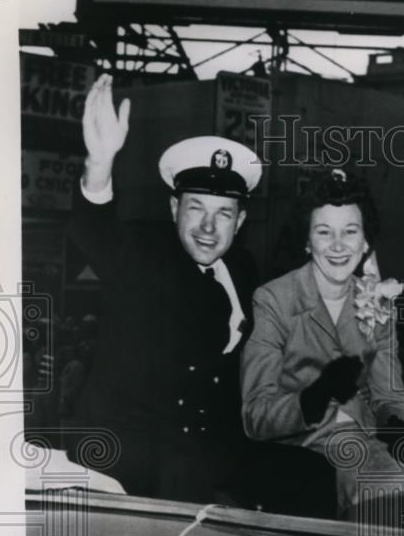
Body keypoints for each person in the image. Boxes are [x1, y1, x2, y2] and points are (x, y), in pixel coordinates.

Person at [66, 73, 262, 501]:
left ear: (240, 222)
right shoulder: (146, 254)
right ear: (174, 208)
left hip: (205, 460)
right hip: (127, 459)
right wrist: (99, 164)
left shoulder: (245, 270)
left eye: (224, 214)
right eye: (196, 208)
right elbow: (95, 232)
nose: (209, 228)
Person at [240, 168, 404, 515]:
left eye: (350, 232)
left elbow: (389, 395)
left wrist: (399, 425)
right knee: (397, 492)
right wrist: (316, 394)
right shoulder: (274, 300)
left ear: (366, 241)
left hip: (366, 442)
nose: (338, 246)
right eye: (324, 232)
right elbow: (255, 417)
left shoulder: (377, 303)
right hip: (304, 447)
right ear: (307, 241)